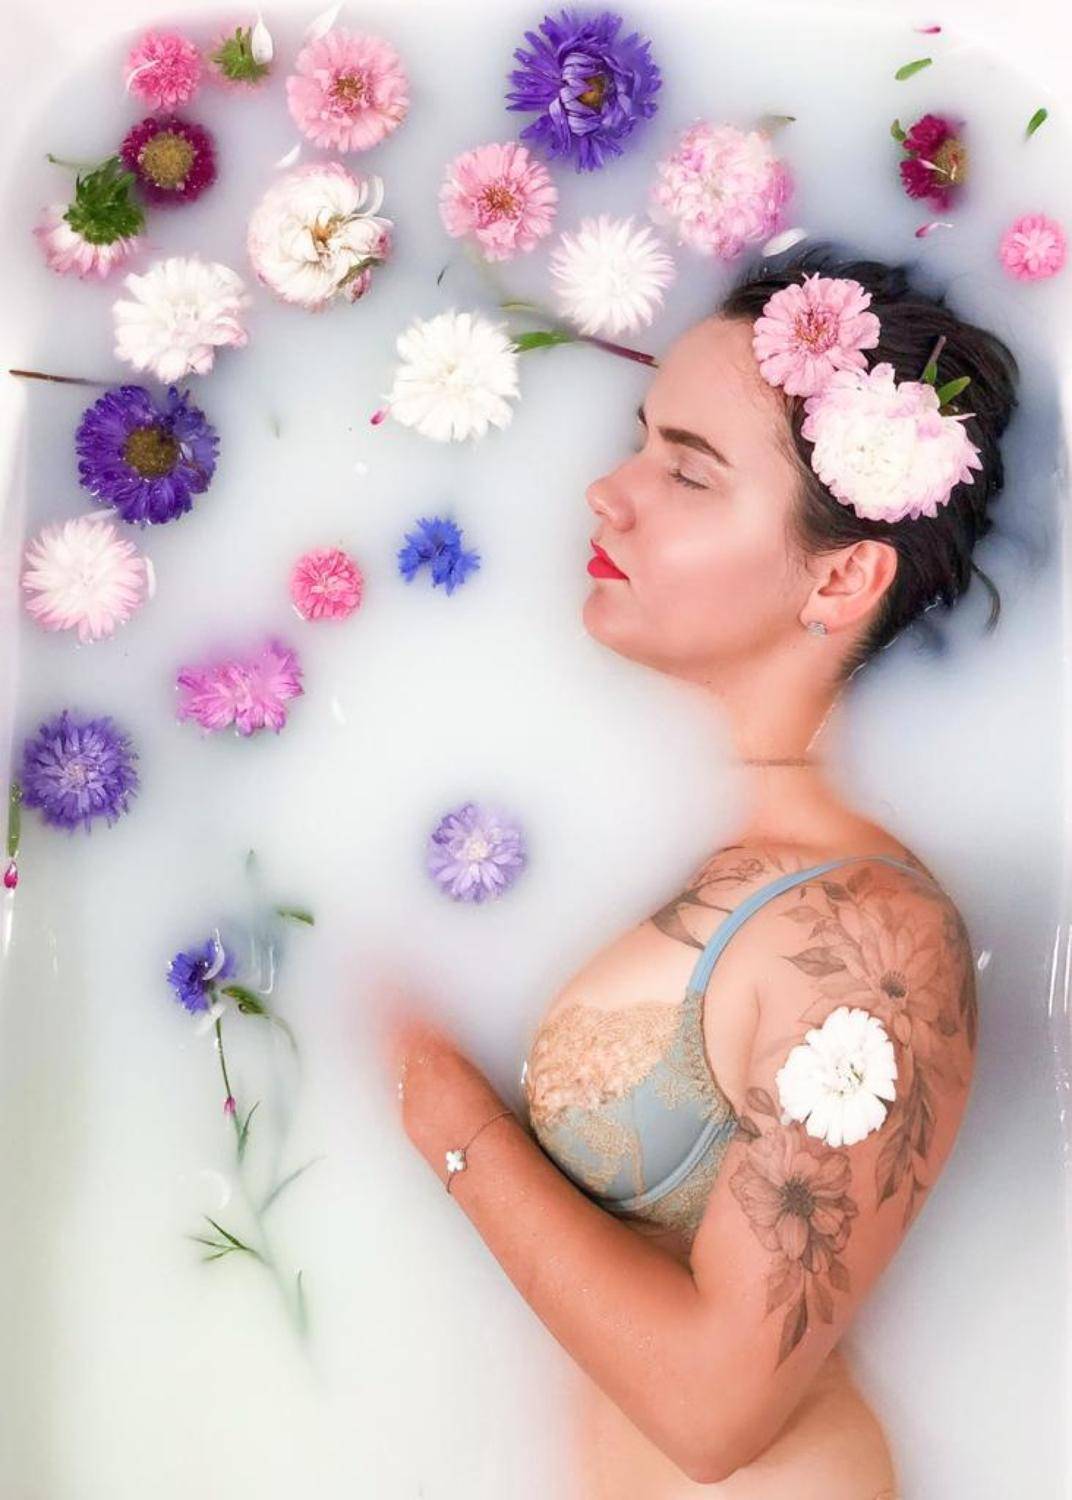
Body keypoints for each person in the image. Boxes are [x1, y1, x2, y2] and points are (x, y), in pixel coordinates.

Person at [382, 245, 1019, 1497]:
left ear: (842, 573)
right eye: (639, 443)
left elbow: (715, 1409)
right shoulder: (697, 840)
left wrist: (446, 1115)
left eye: (686, 471)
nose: (607, 492)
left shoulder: (871, 935)